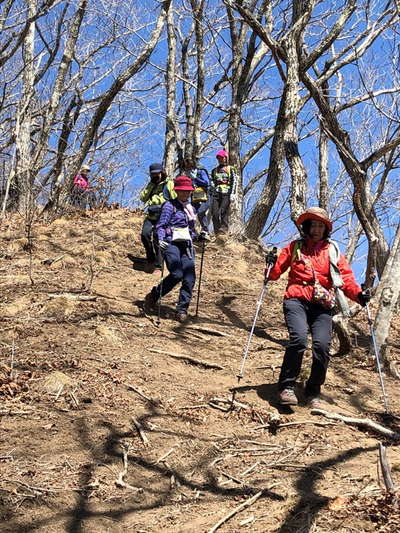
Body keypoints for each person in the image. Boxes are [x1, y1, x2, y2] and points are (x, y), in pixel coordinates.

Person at [265, 207, 371, 408]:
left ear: (325, 229)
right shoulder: (295, 247)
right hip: (296, 299)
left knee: (322, 346)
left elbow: (346, 278)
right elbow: (274, 272)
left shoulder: (332, 250)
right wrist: (269, 264)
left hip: (321, 305)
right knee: (299, 339)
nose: (316, 229)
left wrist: (359, 295)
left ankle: (313, 391)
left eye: (320, 226)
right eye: (313, 225)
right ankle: (286, 386)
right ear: (306, 226)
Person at [144, 175, 205, 323]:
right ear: (176, 191)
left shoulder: (190, 209)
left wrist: (198, 237)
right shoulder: (169, 206)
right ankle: (154, 295)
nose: (185, 194)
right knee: (177, 273)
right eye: (182, 191)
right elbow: (161, 225)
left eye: (187, 191)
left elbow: (190, 229)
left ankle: (182, 310)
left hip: (186, 244)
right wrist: (161, 239)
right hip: (171, 243)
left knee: (190, 277)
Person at [139, 163, 175, 274]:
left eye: (157, 173)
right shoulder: (151, 185)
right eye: (153, 174)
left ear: (162, 172)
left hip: (164, 215)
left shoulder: (169, 184)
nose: (155, 176)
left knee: (157, 237)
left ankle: (159, 265)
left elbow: (174, 198)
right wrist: (151, 185)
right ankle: (151, 258)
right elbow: (143, 198)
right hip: (151, 215)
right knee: (144, 234)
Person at [210, 150, 237, 234]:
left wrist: (233, 193)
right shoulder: (214, 170)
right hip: (216, 193)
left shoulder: (230, 169)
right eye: (219, 158)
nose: (220, 160)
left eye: (222, 158)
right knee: (214, 212)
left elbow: (234, 181)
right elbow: (212, 181)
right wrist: (211, 191)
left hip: (226, 192)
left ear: (226, 158)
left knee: (223, 211)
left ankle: (224, 229)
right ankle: (217, 231)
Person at [182, 158, 210, 237]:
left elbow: (206, 183)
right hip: (195, 196)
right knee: (190, 212)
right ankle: (192, 232)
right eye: (186, 168)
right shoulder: (188, 175)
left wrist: (195, 178)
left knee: (201, 212)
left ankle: (205, 230)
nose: (187, 170)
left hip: (206, 195)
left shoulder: (201, 171)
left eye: (188, 168)